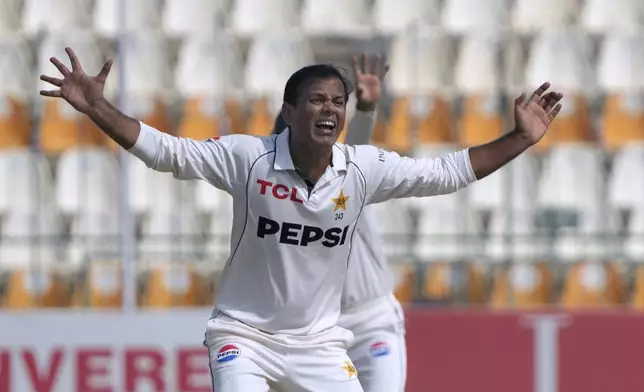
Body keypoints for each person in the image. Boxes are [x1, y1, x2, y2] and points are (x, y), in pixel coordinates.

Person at [40, 47, 562, 392]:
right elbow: (167, 151)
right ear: (289, 113)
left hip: (319, 344)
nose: (329, 109)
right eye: (316, 100)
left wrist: (519, 138)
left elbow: (446, 172)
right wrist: (98, 109)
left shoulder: (362, 168)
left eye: (338, 101)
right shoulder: (249, 159)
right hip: (244, 337)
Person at [272, 54, 406, 392]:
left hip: (371, 322)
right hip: (317, 335)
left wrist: (366, 108)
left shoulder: (349, 173)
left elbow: (358, 142)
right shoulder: (270, 198)